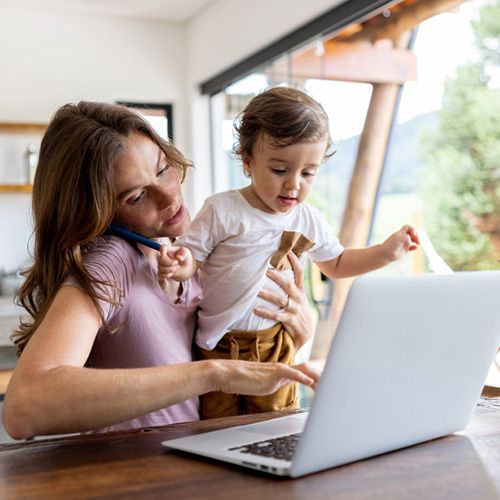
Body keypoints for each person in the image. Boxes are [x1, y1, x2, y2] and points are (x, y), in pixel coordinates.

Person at [2, 101, 320, 440]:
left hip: (200, 464)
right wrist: (213, 373)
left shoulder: (185, 252)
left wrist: (297, 335)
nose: (170, 198)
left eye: (163, 168)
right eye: (137, 196)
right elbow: (26, 407)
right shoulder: (111, 262)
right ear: (97, 212)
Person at [158, 87, 420, 419]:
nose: (294, 184)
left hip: (276, 345)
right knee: (215, 422)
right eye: (280, 170)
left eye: (308, 173)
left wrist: (385, 252)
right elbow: (192, 257)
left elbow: (337, 263)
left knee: (277, 421)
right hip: (218, 346)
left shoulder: (308, 219)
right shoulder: (222, 209)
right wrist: (179, 264)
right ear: (249, 163)